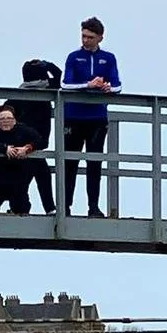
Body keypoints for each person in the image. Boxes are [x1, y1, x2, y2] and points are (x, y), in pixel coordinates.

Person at [61, 19, 120, 217]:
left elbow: (118, 86)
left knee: (94, 163)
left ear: (100, 37)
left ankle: (93, 206)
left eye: (90, 37)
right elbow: (66, 84)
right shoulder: (74, 57)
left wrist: (107, 88)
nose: (86, 40)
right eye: (84, 36)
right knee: (69, 162)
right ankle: (65, 205)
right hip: (73, 116)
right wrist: (88, 85)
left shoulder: (109, 58)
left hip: (96, 117)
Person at [5, 58, 62, 214]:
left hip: (23, 145)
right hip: (37, 143)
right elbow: (58, 74)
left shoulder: (17, 96)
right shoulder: (48, 89)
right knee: (40, 174)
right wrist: (47, 63)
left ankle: (18, 208)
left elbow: (3, 114)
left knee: (23, 178)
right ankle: (49, 209)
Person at [0, 105, 45, 214]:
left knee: (22, 208)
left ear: (15, 121)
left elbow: (41, 141)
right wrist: (4, 148)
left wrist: (27, 148)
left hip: (18, 181)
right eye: (2, 119)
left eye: (9, 119)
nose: (6, 121)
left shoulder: (23, 130)